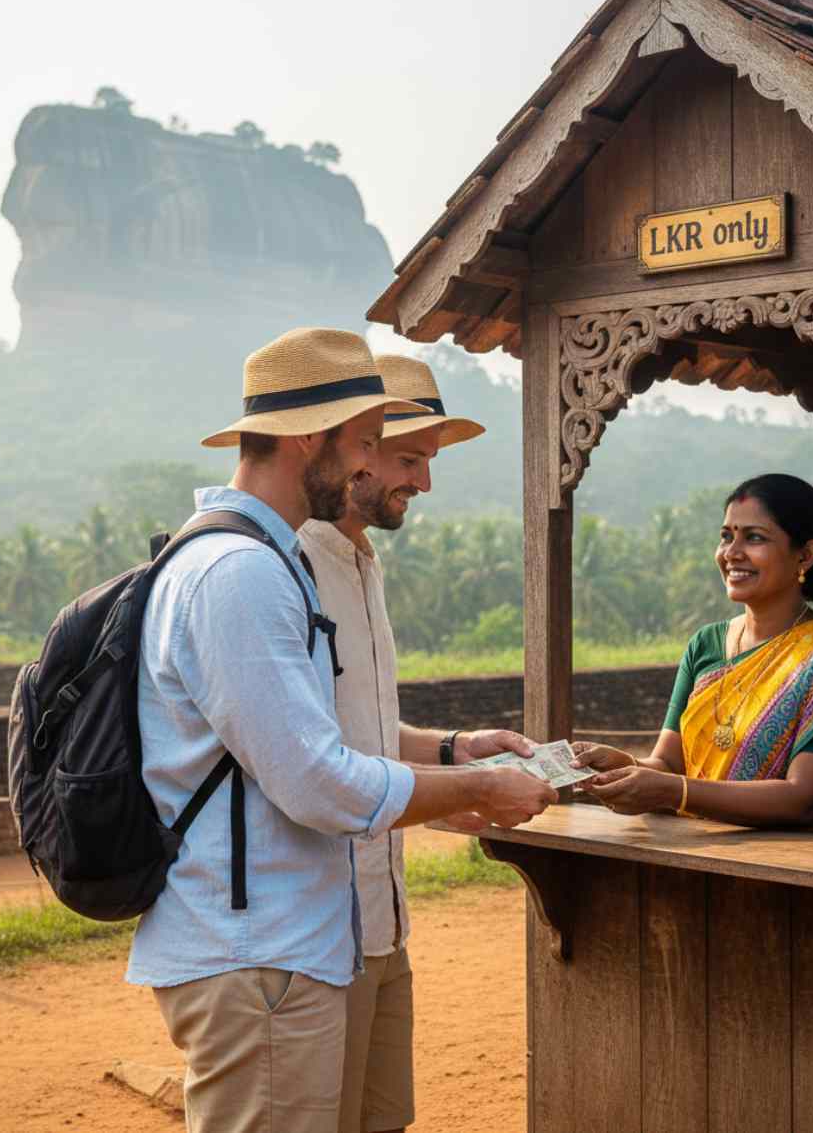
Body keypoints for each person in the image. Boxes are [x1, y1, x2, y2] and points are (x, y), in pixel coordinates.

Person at [124, 327, 557, 1133]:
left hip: (295, 942)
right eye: (369, 443)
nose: (373, 465)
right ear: (308, 440)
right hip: (258, 947)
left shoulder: (266, 561)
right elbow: (317, 779)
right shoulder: (244, 572)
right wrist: (474, 787)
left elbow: (336, 738)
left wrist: (456, 759)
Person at [300, 352, 523, 1133]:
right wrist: (471, 792)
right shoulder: (286, 566)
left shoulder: (361, 560)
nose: (423, 483)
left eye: (427, 462)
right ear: (352, 449)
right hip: (317, 928)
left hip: (381, 912)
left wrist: (457, 748)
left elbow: (358, 730)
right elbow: (310, 765)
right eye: (406, 458)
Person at [572, 473, 813, 843]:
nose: (731, 553)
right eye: (726, 536)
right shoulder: (706, 644)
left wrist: (675, 791)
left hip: (812, 870)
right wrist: (624, 766)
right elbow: (671, 766)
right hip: (705, 852)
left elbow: (806, 800)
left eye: (754, 537)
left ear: (805, 554)